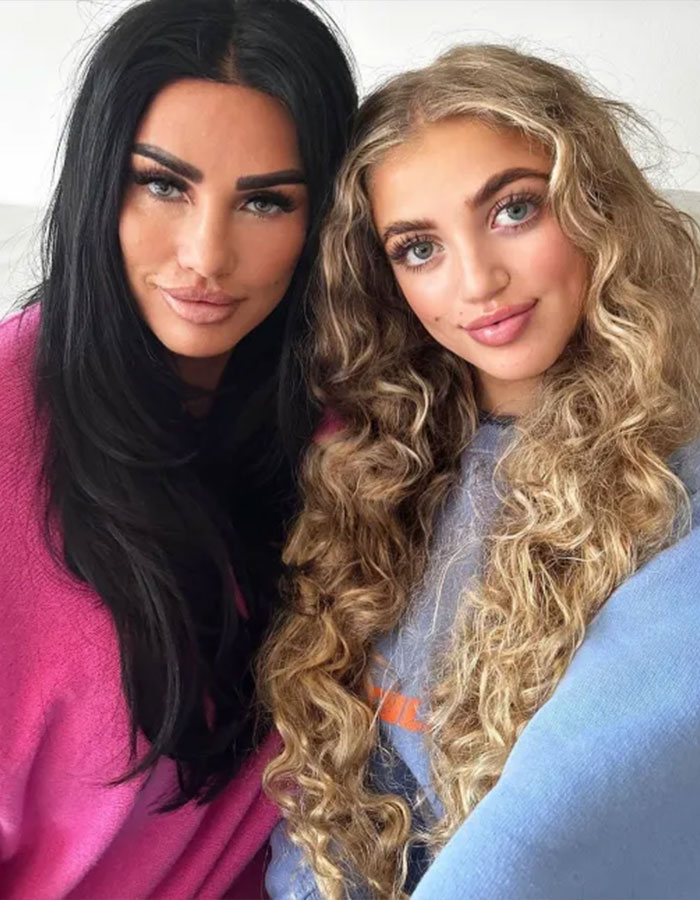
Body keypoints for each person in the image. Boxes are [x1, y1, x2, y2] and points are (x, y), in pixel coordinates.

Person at [261, 44, 700, 900]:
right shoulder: (376, 473)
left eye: (513, 210)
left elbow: (544, 847)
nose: (478, 281)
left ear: (594, 203)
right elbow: (321, 804)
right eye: (419, 247)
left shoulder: (677, 488)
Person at [0, 0, 356, 896]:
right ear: (99, 185)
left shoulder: (354, 435)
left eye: (266, 201)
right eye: (164, 184)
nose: (206, 255)